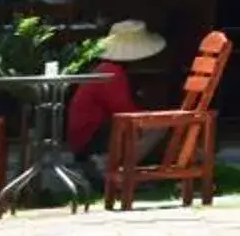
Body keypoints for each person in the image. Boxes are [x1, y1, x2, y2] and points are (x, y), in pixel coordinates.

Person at [65, 19, 165, 162]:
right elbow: (126, 112)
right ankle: (116, 168)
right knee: (158, 126)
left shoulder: (107, 69)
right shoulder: (111, 73)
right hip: (89, 139)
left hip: (88, 136)